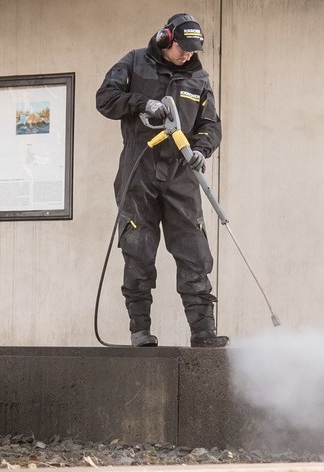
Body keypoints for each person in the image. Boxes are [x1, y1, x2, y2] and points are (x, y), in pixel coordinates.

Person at [96, 13, 229, 348]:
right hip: (139, 166)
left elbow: (211, 125)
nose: (187, 54)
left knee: (193, 250)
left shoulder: (198, 77)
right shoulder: (135, 62)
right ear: (166, 38)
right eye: (182, 48)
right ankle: (140, 331)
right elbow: (105, 99)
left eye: (192, 49)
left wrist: (202, 148)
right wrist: (142, 103)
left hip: (182, 170)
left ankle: (203, 333)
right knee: (138, 249)